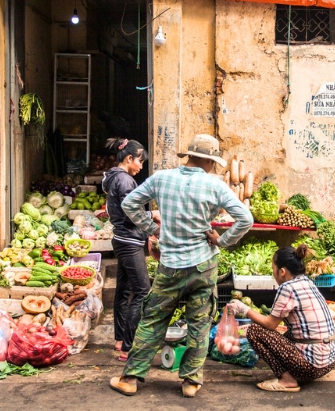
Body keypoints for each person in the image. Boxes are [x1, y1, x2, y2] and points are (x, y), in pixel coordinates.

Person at [109, 134, 254, 398]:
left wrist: (152, 229)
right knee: (199, 324)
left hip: (170, 266)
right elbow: (245, 218)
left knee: (152, 320)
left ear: (189, 156)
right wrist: (222, 241)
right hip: (203, 266)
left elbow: (129, 203)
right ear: (210, 161)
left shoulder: (162, 178)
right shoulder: (215, 185)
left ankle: (130, 378)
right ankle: (190, 382)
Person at [226, 244, 335, 392]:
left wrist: (244, 308)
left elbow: (270, 324)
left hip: (312, 366)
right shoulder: (308, 282)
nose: (273, 274)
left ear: (282, 271)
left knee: (255, 331)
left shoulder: (287, 288)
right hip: (330, 360)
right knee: (283, 335)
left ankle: (287, 380)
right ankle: (294, 374)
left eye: (273, 269)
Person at [101, 138, 156, 362]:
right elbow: (130, 212)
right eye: (140, 162)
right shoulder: (125, 181)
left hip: (121, 240)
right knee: (143, 291)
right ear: (129, 158)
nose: (141, 167)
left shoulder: (114, 177)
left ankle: (119, 339)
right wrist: (153, 217)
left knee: (123, 291)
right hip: (130, 243)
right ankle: (128, 347)